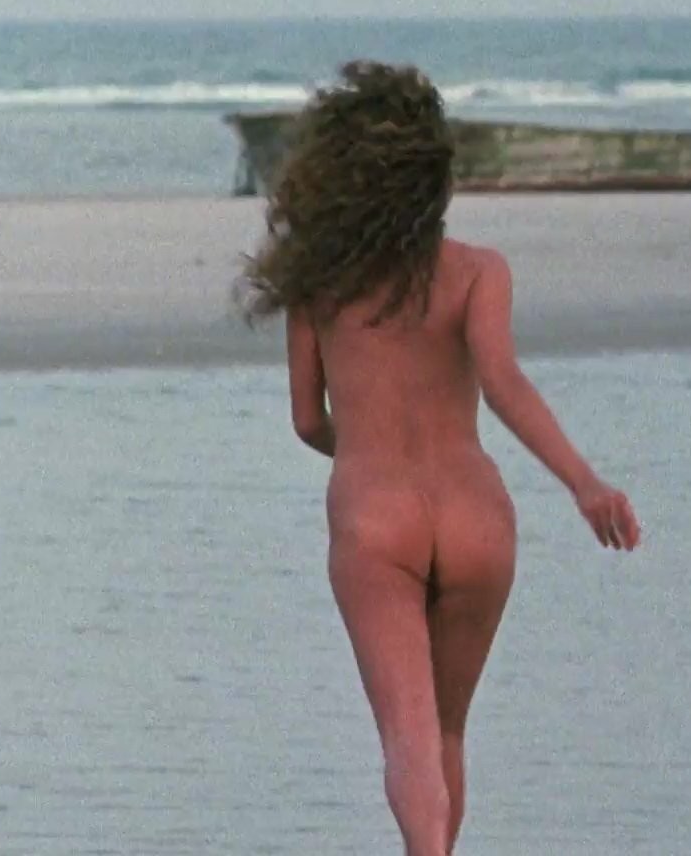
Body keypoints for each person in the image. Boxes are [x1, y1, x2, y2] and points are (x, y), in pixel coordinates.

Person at [239, 61, 641, 856]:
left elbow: (306, 420)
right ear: (432, 175)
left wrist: (369, 453)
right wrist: (584, 483)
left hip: (376, 516)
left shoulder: (316, 283)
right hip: (476, 515)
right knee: (450, 733)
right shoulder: (479, 271)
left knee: (409, 739)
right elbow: (503, 381)